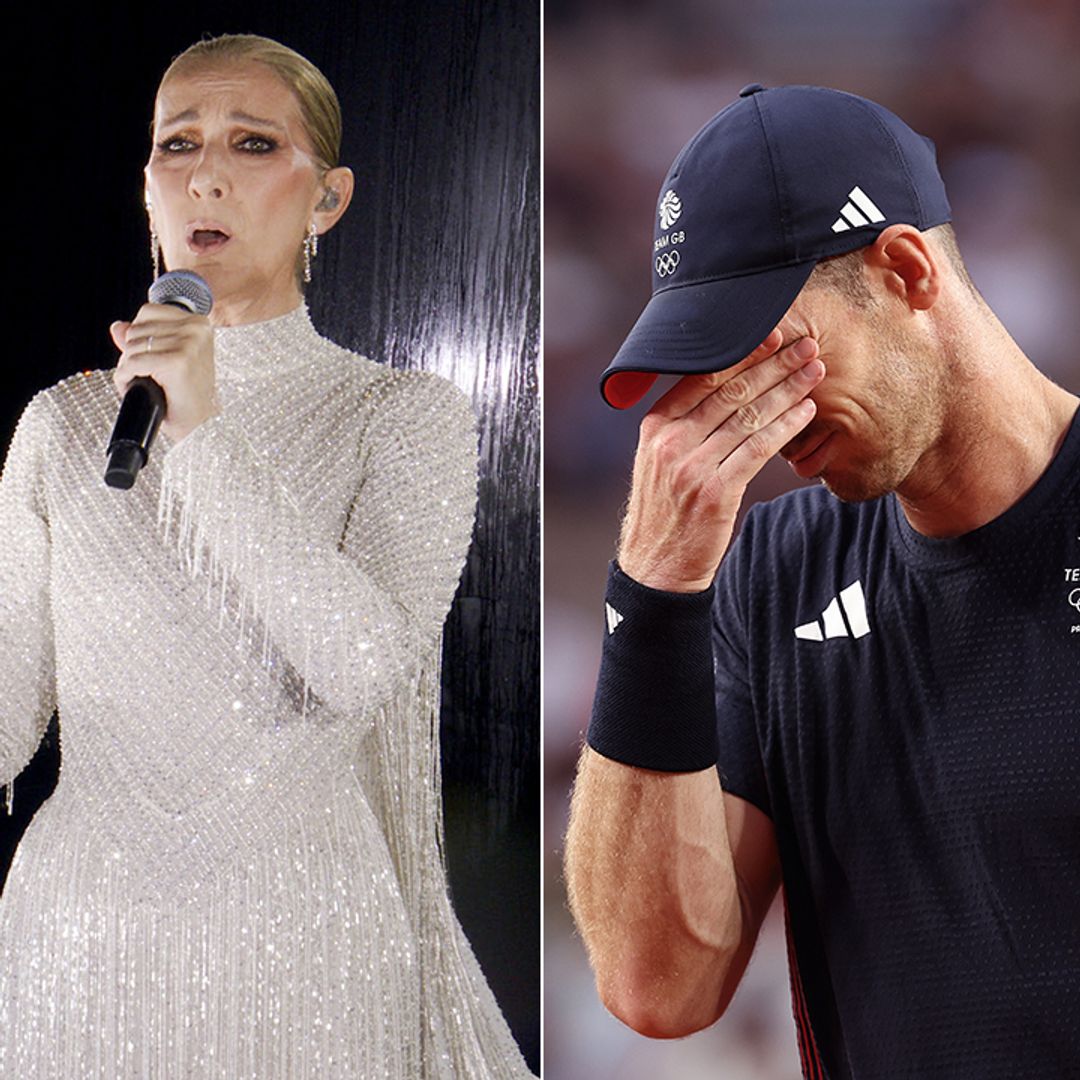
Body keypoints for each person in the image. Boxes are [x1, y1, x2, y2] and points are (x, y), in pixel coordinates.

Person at [0, 34, 532, 1079]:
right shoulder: (62, 427)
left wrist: (202, 432)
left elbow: (362, 665)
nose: (205, 172)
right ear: (147, 187)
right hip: (79, 949)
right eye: (177, 144)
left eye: (251, 143)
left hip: (309, 953)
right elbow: (9, 697)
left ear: (325, 199)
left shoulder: (404, 418)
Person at [565, 83, 1079, 1077]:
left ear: (904, 271)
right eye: (708, 379)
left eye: (767, 356)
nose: (760, 423)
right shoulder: (771, 574)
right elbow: (656, 984)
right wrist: (653, 592)